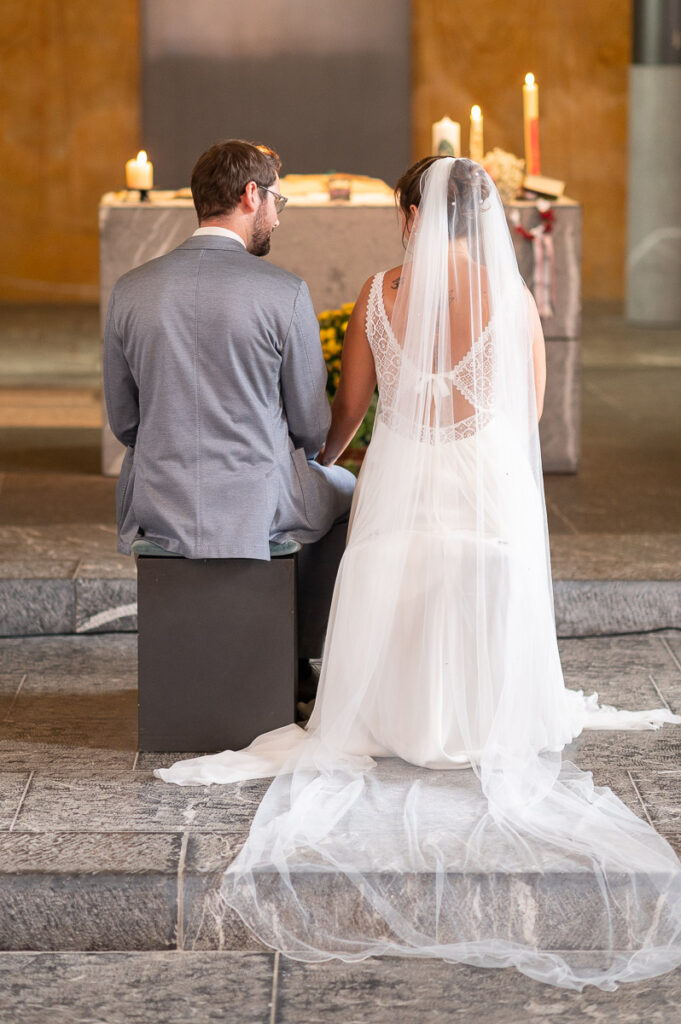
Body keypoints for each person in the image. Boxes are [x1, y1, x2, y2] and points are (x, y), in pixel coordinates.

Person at [156, 157, 681, 990]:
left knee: (384, 559)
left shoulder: (378, 292)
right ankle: (477, 713)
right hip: (482, 495)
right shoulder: (512, 298)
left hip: (401, 494)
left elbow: (352, 413)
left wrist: (310, 467)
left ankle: (393, 714)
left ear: (408, 214)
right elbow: (530, 412)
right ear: (482, 220)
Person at [103, 139, 355, 676]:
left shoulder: (130, 290)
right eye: (277, 204)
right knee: (352, 493)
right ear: (249, 195)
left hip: (160, 498)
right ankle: (297, 656)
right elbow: (312, 428)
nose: (277, 220)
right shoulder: (283, 292)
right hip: (255, 500)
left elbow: (125, 422)